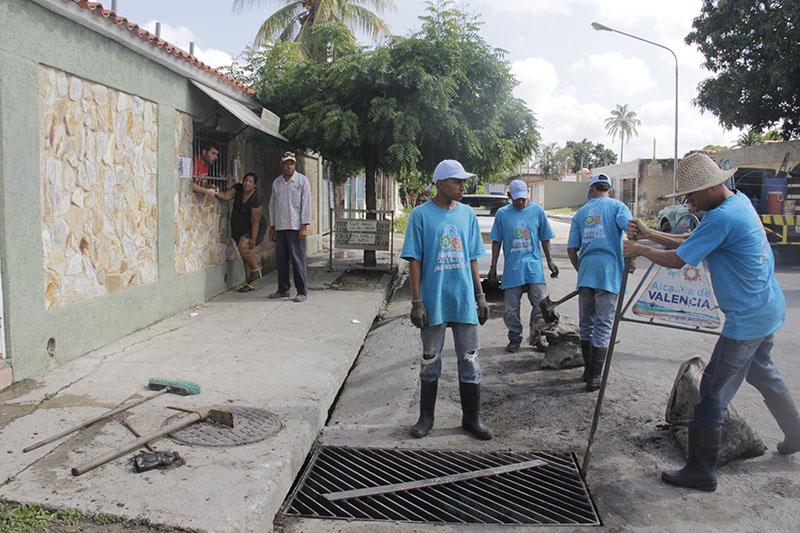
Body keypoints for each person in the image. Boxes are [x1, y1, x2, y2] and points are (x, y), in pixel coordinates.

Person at [624, 152, 800, 492]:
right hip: (767, 308)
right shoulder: (737, 204)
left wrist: (640, 250)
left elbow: (678, 260)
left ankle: (701, 471)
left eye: (691, 194)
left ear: (710, 187)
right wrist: (648, 235)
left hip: (747, 319)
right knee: (764, 372)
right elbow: (694, 243)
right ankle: (795, 433)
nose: (688, 201)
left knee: (712, 392)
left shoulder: (721, 219)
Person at [400, 159, 492, 441]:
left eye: (464, 182)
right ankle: (426, 418)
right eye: (457, 182)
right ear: (440, 184)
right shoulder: (421, 215)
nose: (463, 186)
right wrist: (417, 301)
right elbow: (414, 260)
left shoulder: (467, 215)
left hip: (463, 299)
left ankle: (471, 418)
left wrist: (480, 295)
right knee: (430, 359)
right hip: (434, 300)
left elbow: (473, 259)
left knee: (470, 359)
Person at [567, 173, 632, 391]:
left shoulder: (581, 212)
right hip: (609, 271)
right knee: (603, 324)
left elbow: (571, 248)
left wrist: (581, 270)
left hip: (586, 271)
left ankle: (588, 371)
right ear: (609, 190)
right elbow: (629, 228)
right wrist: (633, 256)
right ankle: (595, 377)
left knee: (586, 323)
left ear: (591, 188)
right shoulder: (617, 207)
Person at [488, 179, 558, 353]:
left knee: (540, 304)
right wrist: (493, 266)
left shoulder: (537, 211)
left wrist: (550, 260)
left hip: (534, 266)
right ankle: (514, 336)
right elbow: (496, 241)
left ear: (527, 194)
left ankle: (538, 336)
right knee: (511, 308)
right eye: (516, 199)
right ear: (509, 195)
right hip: (513, 268)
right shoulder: (502, 214)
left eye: (523, 198)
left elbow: (545, 238)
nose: (520, 202)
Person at [268, 151, 312, 303]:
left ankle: (301, 291)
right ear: (282, 165)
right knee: (281, 260)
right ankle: (283, 289)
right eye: (286, 163)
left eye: (291, 163)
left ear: (295, 164)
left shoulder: (302, 181)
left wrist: (304, 226)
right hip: (281, 226)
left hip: (296, 226)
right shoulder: (277, 182)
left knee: (298, 259)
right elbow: (272, 204)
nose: (289, 166)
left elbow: (306, 204)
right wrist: (272, 226)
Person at [214, 172, 267, 292]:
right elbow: (227, 195)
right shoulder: (238, 188)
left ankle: (257, 269)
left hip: (254, 228)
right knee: (245, 256)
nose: (247, 183)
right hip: (239, 228)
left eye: (250, 182)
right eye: (245, 180)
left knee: (243, 246)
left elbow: (255, 221)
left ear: (254, 185)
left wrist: (253, 239)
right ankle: (249, 284)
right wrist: (216, 192)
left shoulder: (255, 198)